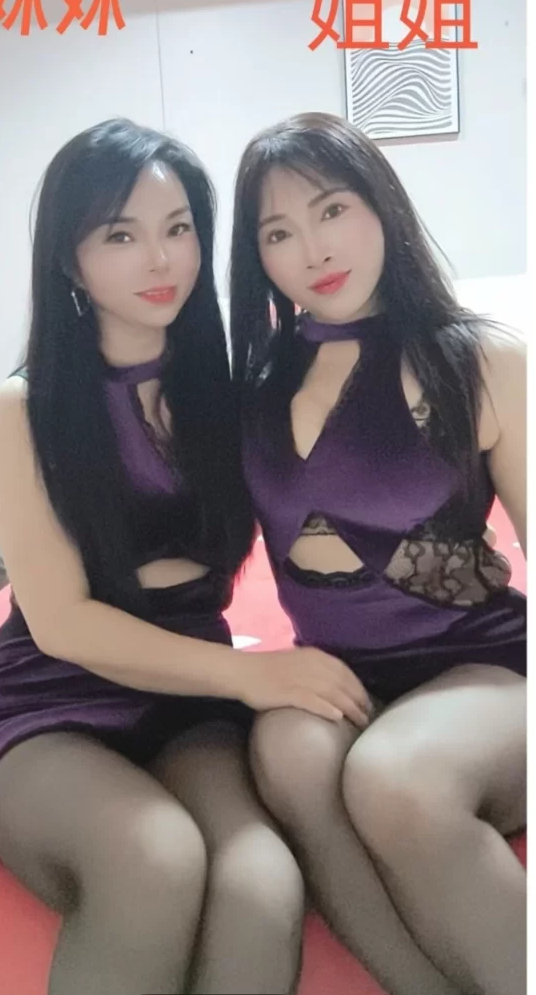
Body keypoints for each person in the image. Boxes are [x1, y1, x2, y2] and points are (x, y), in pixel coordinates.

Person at [0, 117, 355, 995]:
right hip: (50, 702)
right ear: (69, 259)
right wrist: (253, 674)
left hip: (187, 702)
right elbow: (61, 623)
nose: (160, 259)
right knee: (155, 856)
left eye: (178, 229)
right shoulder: (22, 409)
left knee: (262, 879)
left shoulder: (229, 393)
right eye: (120, 235)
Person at [230, 112, 526, 995]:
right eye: (277, 232)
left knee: (393, 776)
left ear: (380, 207)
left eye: (331, 210)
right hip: (340, 674)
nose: (312, 249)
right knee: (285, 751)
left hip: (482, 670)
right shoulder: (255, 385)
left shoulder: (480, 360)